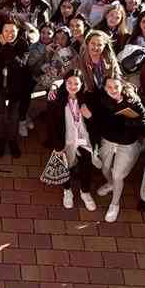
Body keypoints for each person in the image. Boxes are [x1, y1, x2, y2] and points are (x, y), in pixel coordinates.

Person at [90, 75, 145, 223]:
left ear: (122, 86)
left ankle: (114, 204)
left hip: (127, 142)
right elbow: (97, 121)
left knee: (117, 175)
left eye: (116, 86)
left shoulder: (132, 100)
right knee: (104, 168)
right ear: (104, 88)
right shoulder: (102, 100)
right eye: (109, 87)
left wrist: (127, 122)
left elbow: (143, 121)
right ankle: (110, 184)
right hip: (108, 140)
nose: (113, 90)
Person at [44, 70, 98, 211]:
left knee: (87, 164)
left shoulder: (87, 99)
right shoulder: (56, 99)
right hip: (65, 140)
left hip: (83, 139)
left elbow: (97, 124)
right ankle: (67, 191)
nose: (73, 86)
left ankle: (85, 192)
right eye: (69, 82)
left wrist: (91, 117)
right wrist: (57, 146)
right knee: (65, 165)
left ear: (82, 84)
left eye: (76, 83)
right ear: (65, 82)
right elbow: (51, 125)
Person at [0, 16, 31, 158]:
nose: (9, 34)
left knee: (14, 115)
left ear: (18, 31)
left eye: (13, 31)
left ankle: (12, 140)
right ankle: (0, 140)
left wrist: (7, 47)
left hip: (16, 87)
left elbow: (20, 64)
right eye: (6, 31)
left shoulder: (22, 44)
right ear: (1, 31)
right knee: (0, 114)